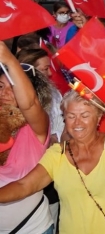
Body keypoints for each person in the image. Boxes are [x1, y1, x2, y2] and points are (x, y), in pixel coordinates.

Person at [0, 90, 105, 234]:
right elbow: (25, 185)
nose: (77, 123)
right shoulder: (57, 154)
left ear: (99, 117)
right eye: (71, 116)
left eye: (85, 115)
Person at [0, 42, 54, 234]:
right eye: (0, 86)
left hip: (33, 228)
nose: (5, 93)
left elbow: (29, 105)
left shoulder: (36, 128)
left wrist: (9, 59)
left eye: (13, 87)